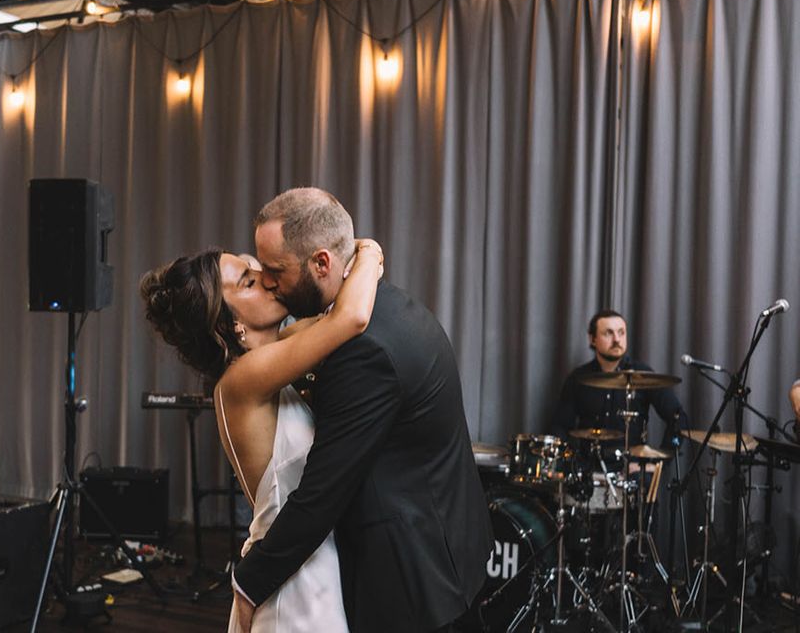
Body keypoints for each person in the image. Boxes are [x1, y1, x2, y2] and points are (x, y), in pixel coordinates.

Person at [232, 187, 493, 633]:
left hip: (415, 580)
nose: (269, 282)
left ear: (322, 263)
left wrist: (248, 585)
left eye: (276, 271)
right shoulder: (380, 300)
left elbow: (323, 493)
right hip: (445, 548)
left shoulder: (362, 349)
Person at [141, 237, 385, 632]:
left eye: (255, 267)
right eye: (249, 281)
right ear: (230, 323)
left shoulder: (277, 353)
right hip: (294, 581)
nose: (267, 279)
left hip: (303, 562)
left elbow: (334, 313)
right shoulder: (242, 379)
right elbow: (351, 317)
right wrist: (369, 250)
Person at [550, 309, 686, 446]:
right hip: (587, 465)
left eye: (621, 332)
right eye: (608, 333)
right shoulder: (578, 378)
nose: (616, 339)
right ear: (592, 339)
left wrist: (659, 463)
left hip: (632, 464)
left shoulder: (643, 374)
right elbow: (560, 426)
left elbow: (679, 418)